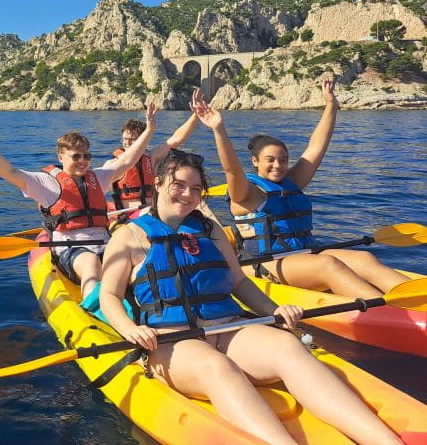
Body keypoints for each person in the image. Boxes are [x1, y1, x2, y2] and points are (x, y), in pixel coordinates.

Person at [99, 151, 401, 445]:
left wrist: (275, 310)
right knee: (217, 367)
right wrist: (130, 329)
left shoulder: (210, 230)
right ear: (158, 183)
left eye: (195, 188)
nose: (187, 194)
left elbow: (239, 281)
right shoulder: (129, 237)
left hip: (226, 326)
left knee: (288, 346)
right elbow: (109, 295)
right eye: (178, 185)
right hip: (171, 340)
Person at [192, 80, 409, 298]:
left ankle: (416, 299)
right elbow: (231, 170)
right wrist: (219, 129)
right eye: (270, 159)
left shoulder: (291, 182)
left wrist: (331, 106)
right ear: (255, 161)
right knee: (327, 265)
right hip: (265, 264)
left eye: (283, 160)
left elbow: (316, 146)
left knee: (364, 259)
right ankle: (387, 311)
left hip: (304, 254)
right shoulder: (246, 193)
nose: (278, 165)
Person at [0, 105, 156, 298]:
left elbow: (128, 159)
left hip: (105, 243)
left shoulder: (98, 178)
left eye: (86, 156)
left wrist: (150, 130)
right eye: (76, 156)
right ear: (60, 157)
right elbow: (10, 172)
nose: (82, 160)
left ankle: (151, 302)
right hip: (72, 249)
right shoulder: (46, 183)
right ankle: (96, 308)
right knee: (91, 263)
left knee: (140, 260)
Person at [103, 88, 203, 210]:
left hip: (152, 210)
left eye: (132, 139)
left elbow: (176, 139)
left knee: (197, 208)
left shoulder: (151, 157)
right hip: (129, 214)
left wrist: (196, 116)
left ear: (143, 140)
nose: (127, 143)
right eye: (125, 139)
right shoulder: (113, 164)